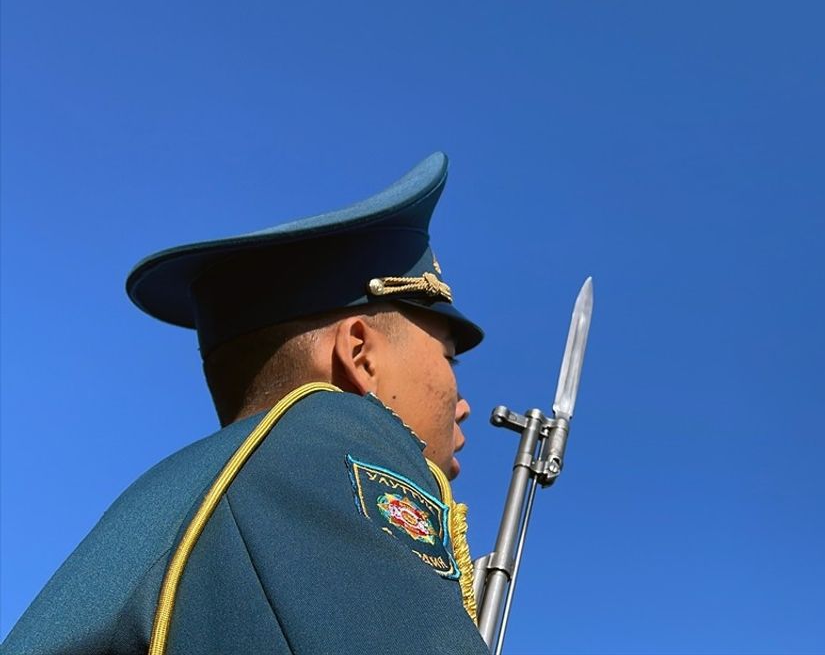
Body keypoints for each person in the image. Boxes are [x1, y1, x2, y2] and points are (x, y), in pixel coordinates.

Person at [3, 153, 492, 654]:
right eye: (449, 359)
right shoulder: (330, 442)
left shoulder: (176, 499)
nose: (464, 403)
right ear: (359, 354)